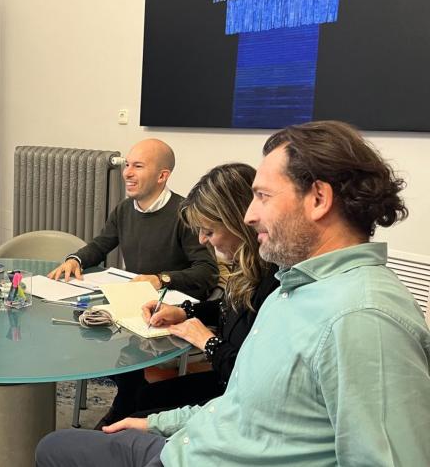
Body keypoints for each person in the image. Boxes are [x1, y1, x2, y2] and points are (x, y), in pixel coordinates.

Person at [36, 120, 430, 466]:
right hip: (193, 444)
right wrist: (155, 423)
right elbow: (243, 405)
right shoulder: (292, 290)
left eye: (263, 196)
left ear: (319, 199)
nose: (248, 215)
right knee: (56, 446)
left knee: (57, 449)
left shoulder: (362, 320)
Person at [94, 163, 279, 429]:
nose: (203, 240)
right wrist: (186, 311)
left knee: (141, 408)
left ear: (239, 222)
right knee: (141, 397)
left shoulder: (273, 281)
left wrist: (208, 341)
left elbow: (251, 378)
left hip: (236, 397)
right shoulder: (248, 267)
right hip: (225, 382)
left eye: (209, 231)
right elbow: (232, 310)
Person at [48, 138, 218, 300]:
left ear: (162, 176)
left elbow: (207, 272)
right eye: (127, 165)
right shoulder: (124, 208)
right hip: (134, 297)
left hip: (171, 304)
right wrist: (76, 260)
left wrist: (161, 279)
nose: (127, 173)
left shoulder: (186, 214)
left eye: (138, 166)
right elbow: (100, 246)